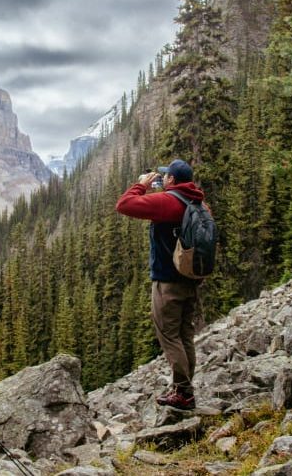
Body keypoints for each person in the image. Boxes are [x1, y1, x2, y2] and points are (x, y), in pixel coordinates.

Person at [115, 158, 206, 410]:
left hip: (168, 281)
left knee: (168, 334)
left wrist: (140, 185)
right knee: (185, 334)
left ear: (172, 181)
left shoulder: (168, 202)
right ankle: (186, 388)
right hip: (191, 279)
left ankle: (183, 392)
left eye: (166, 177)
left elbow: (124, 205)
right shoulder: (198, 201)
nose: (162, 179)